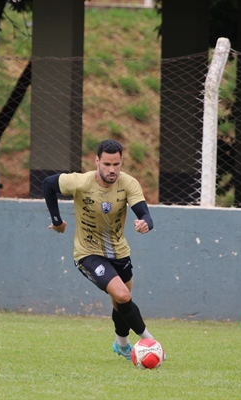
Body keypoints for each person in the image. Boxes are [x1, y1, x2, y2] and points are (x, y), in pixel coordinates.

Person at [43, 139, 159, 362]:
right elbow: (48, 183)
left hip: (119, 252)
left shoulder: (128, 183)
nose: (112, 169)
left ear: (121, 161)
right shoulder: (80, 182)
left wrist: (145, 223)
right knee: (123, 295)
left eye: (116, 164)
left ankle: (122, 344)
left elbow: (145, 215)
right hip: (88, 253)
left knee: (120, 302)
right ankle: (150, 342)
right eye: (106, 164)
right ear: (97, 161)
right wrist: (57, 221)